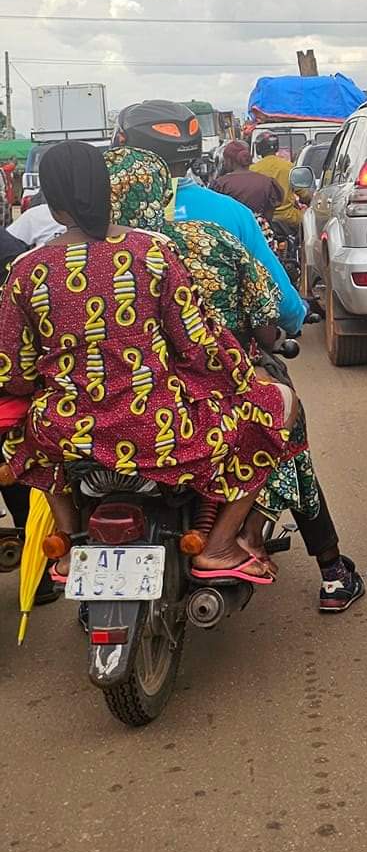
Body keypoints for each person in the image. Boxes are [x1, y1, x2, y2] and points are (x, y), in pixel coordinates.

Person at [0, 142, 297, 581]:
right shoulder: (151, 252)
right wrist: (239, 375)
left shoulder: (27, 271)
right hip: (160, 428)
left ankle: (67, 541)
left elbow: (15, 373)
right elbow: (198, 345)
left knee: (24, 438)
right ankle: (219, 544)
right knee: (280, 405)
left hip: (66, 431)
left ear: (50, 198)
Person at [104, 146, 364, 611]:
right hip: (215, 385)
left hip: (107, 406)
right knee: (286, 428)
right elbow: (273, 314)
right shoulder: (212, 234)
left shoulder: (69, 260)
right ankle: (328, 569)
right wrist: (273, 330)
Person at [111, 103, 305, 336]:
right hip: (223, 356)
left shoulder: (101, 217)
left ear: (123, 147)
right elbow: (280, 301)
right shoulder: (234, 213)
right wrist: (296, 317)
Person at [248, 137, 303, 263]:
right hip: (288, 218)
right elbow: (302, 192)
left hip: (263, 221)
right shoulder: (288, 166)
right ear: (277, 148)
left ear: (259, 149)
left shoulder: (252, 169)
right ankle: (301, 259)